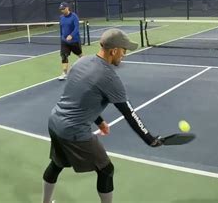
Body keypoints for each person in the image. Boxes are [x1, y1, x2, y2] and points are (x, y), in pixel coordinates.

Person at [42, 28, 163, 203]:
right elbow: (129, 114)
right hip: (73, 130)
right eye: (124, 50)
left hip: (54, 122)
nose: (125, 54)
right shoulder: (109, 78)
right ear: (113, 51)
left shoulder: (82, 62)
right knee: (106, 170)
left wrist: (99, 122)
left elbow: (78, 96)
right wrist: (150, 139)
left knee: (57, 163)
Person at [58, 2, 83, 80]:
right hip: (64, 42)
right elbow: (61, 28)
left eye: (63, 9)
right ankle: (65, 73)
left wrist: (71, 35)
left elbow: (76, 28)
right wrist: (62, 37)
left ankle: (86, 65)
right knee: (64, 56)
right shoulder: (61, 17)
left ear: (67, 8)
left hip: (74, 41)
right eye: (61, 9)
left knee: (80, 56)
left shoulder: (74, 16)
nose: (62, 10)